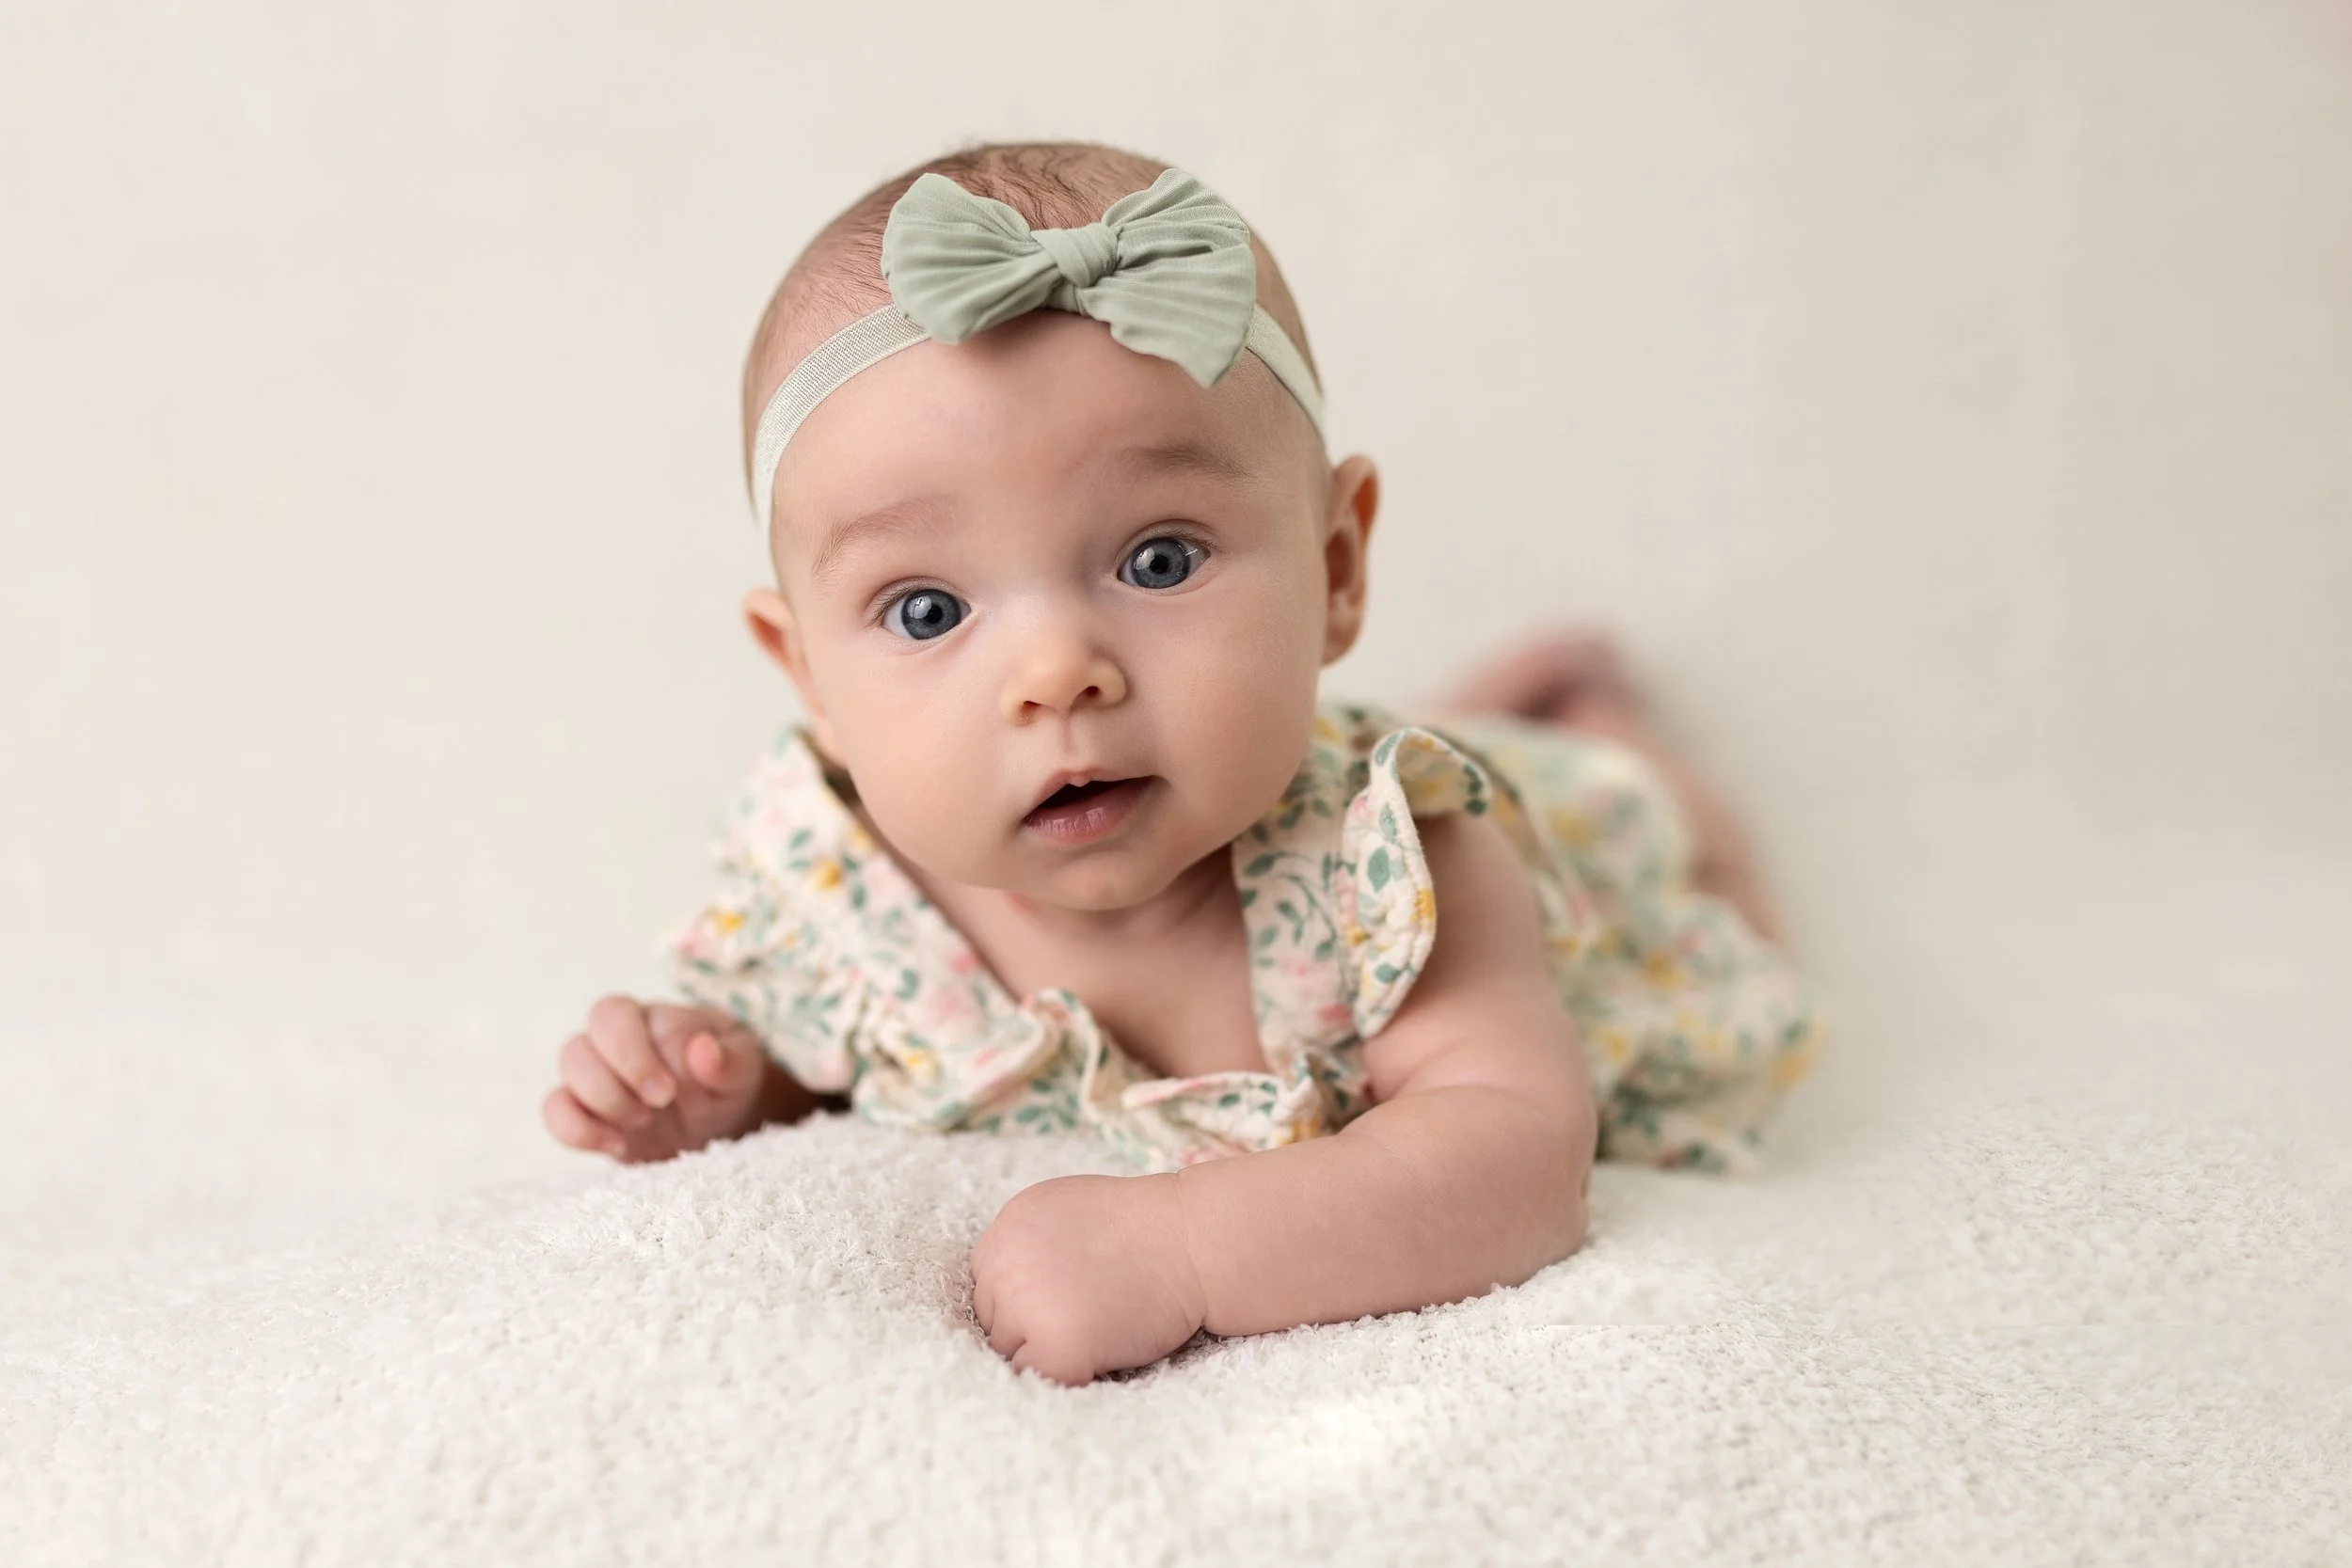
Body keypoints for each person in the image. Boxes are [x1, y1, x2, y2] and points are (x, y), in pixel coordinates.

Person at [539, 142, 1822, 1386]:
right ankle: (1502, 692)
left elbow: (1516, 1157)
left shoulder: (1397, 866)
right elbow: (818, 1053)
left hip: (1591, 887)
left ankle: (1612, 734)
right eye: (927, 611)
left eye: (1158, 560)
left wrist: (1186, 1249)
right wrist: (711, 1086)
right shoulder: (834, 888)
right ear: (808, 672)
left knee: (1679, 849)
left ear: (1335, 568)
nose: (1057, 673)